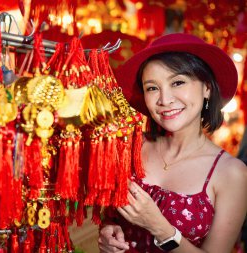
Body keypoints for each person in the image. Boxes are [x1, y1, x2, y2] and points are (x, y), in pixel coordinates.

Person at [98, 33, 247, 253]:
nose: (164, 100)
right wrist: (108, 234)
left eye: (177, 82)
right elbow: (110, 217)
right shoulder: (130, 148)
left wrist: (160, 228)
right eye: (152, 88)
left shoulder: (232, 173)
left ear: (206, 87)